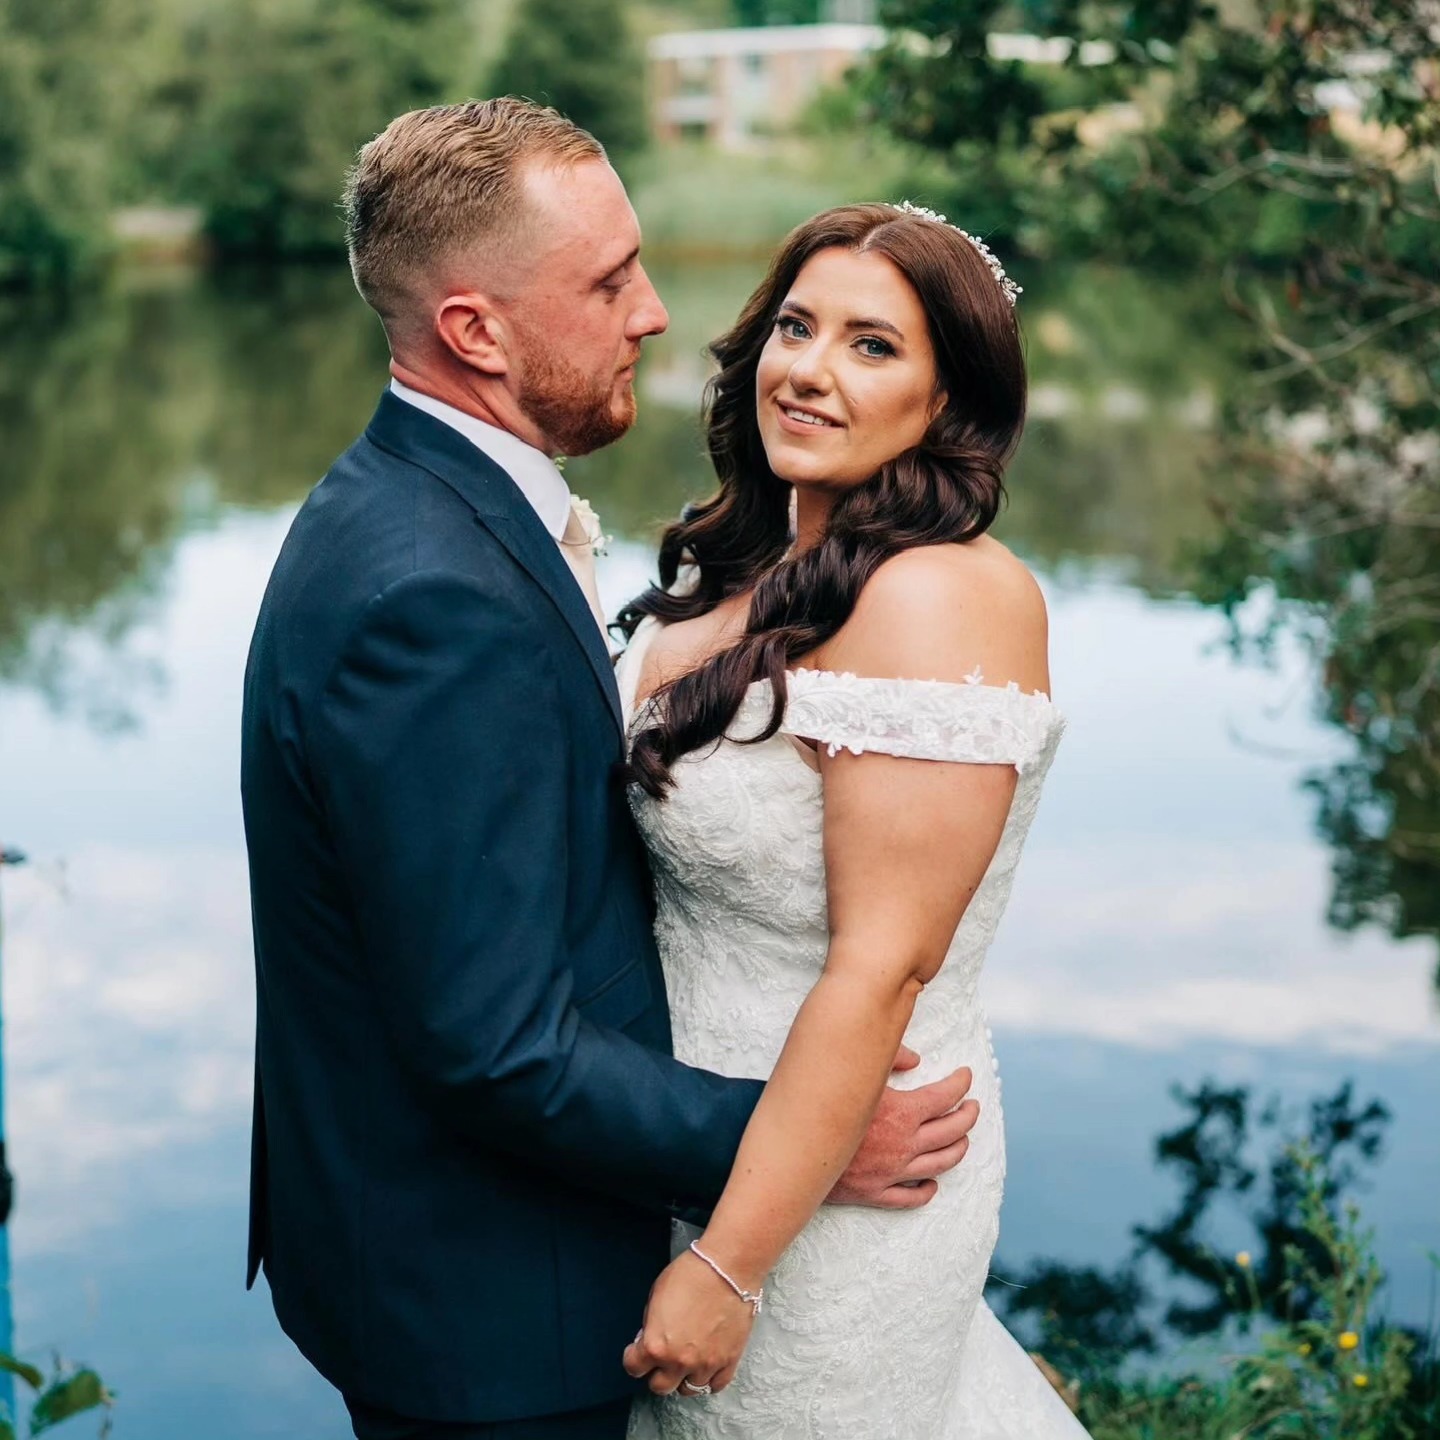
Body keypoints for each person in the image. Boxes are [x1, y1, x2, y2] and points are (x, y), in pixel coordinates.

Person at [239, 100, 979, 1440]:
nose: (655, 313)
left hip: (493, 1254)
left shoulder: (415, 506)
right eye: (607, 280)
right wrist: (797, 1144)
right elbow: (497, 1047)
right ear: (476, 331)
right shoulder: (432, 597)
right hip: (500, 1309)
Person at [616, 203, 1089, 1438]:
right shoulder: (742, 578)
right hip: (691, 1147)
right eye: (795, 326)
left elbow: (881, 969)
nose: (810, 370)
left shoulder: (942, 599)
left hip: (831, 1202)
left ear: (949, 401)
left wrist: (731, 1265)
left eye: (873, 346)